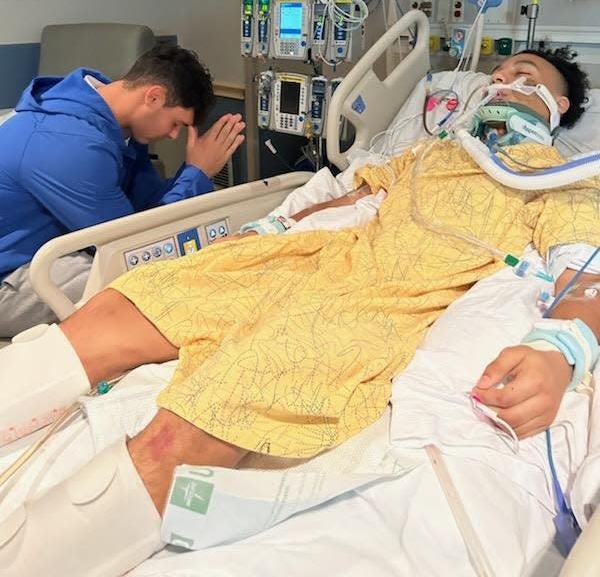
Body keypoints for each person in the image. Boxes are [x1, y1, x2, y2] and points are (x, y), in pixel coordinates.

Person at [0, 49, 598, 577]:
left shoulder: (562, 179)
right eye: (495, 72)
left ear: (557, 102)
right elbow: (352, 194)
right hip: (317, 255)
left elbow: (585, 270)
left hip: (391, 291)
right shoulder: (430, 153)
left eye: (521, 73)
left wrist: (563, 351)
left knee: (230, 388)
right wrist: (269, 227)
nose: (499, 81)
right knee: (129, 300)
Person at [0, 42, 245, 335]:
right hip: (9, 276)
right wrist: (199, 173)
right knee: (143, 286)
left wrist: (194, 175)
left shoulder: (109, 122)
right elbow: (134, 244)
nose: (172, 135)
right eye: (176, 123)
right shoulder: (70, 146)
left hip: (42, 249)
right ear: (153, 97)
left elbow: (147, 209)